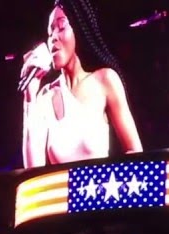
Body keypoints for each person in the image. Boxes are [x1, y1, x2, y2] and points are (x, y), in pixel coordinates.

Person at [20, 0, 142, 168]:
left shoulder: (105, 81)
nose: (53, 37)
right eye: (50, 33)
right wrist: (29, 97)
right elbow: (33, 173)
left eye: (61, 27)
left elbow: (134, 152)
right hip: (61, 193)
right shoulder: (45, 97)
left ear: (77, 29)